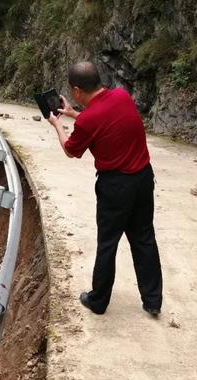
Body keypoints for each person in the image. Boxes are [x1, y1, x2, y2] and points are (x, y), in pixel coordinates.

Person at [47, 61, 163, 316]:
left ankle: (98, 301)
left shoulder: (88, 120)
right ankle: (153, 301)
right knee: (144, 239)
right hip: (143, 179)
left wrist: (57, 124)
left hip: (116, 187)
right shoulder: (122, 96)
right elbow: (105, 121)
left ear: (76, 90)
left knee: (107, 243)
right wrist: (73, 113)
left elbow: (70, 150)